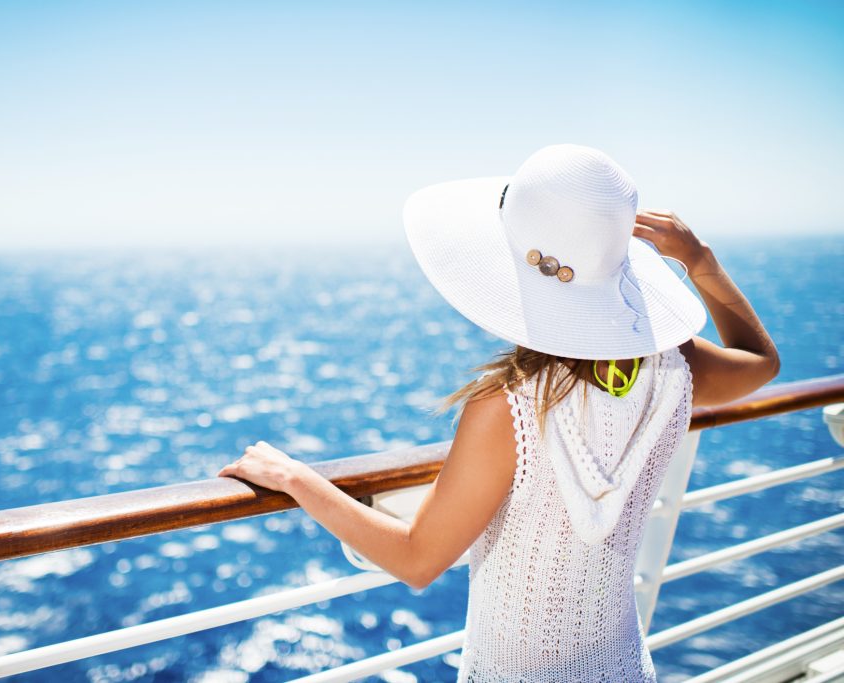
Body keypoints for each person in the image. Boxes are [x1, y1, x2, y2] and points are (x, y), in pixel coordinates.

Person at [217, 143, 779, 681]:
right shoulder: (674, 367)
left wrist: (297, 479)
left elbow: (418, 559)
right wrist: (700, 261)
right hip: (621, 666)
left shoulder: (510, 407)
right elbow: (760, 362)